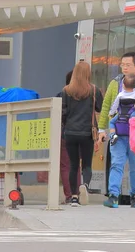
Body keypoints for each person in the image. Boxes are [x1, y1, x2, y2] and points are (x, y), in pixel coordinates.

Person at [99, 52, 135, 209]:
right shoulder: (115, 84)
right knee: (117, 164)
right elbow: (106, 107)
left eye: (128, 64)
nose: (124, 67)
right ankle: (113, 196)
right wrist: (101, 130)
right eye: (122, 64)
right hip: (117, 132)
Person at [61, 61, 103, 207]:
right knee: (86, 164)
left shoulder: (66, 91)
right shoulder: (94, 90)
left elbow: (63, 113)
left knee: (73, 165)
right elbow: (99, 108)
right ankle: (84, 185)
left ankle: (73, 197)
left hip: (70, 132)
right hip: (87, 132)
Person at [56, 70, 81, 204]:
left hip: (66, 133)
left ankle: (69, 195)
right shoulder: (87, 94)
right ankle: (77, 194)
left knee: (66, 166)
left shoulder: (61, 95)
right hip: (83, 134)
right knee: (76, 165)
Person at [108, 74, 135, 146]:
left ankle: (113, 135)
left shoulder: (120, 95)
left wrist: (111, 113)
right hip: (133, 115)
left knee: (111, 122)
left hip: (121, 115)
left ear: (123, 85)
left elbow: (115, 105)